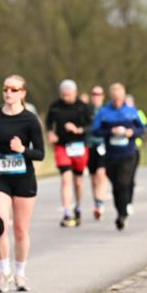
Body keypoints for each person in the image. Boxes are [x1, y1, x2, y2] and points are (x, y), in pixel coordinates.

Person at [0, 75, 44, 292]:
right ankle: (4, 272)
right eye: (6, 88)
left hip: (24, 179)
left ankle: (20, 273)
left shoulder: (30, 120)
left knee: (20, 230)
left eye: (14, 89)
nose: (8, 93)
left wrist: (23, 150)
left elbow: (41, 154)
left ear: (22, 93)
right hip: (0, 177)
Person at [91, 83, 145, 231]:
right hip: (110, 154)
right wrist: (110, 132)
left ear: (123, 97)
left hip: (128, 153)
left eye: (119, 98)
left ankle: (123, 215)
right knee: (116, 186)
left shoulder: (131, 111)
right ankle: (121, 211)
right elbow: (95, 131)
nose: (117, 102)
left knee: (123, 183)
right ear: (111, 97)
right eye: (114, 99)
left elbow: (142, 129)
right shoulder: (103, 112)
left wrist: (130, 132)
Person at [45, 79, 92, 227]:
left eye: (69, 95)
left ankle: (77, 206)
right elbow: (48, 123)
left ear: (75, 93)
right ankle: (67, 211)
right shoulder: (55, 106)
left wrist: (78, 129)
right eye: (63, 95)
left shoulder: (82, 107)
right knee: (65, 179)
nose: (66, 98)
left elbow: (91, 125)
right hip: (62, 146)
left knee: (78, 181)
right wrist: (50, 134)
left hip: (79, 146)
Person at [85, 85, 109, 220]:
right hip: (89, 145)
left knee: (101, 174)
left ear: (103, 96)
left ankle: (100, 204)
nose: (96, 96)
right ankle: (97, 202)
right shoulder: (87, 110)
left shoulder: (106, 110)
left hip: (103, 145)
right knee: (93, 177)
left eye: (99, 94)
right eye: (94, 94)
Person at [125, 94, 147, 215]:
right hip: (119, 150)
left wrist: (133, 133)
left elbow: (144, 128)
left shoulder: (137, 113)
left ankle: (128, 202)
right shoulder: (117, 114)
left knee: (130, 178)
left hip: (134, 148)